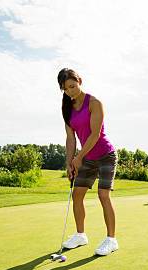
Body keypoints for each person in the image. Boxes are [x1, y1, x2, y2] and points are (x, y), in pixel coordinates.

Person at [57, 68, 118, 256]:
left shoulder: (94, 103)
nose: (70, 91)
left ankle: (111, 239)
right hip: (87, 157)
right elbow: (70, 139)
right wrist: (69, 162)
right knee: (77, 195)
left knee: (103, 195)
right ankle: (80, 235)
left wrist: (79, 157)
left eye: (73, 86)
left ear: (80, 81)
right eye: (66, 89)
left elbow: (95, 135)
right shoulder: (67, 109)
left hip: (105, 155)